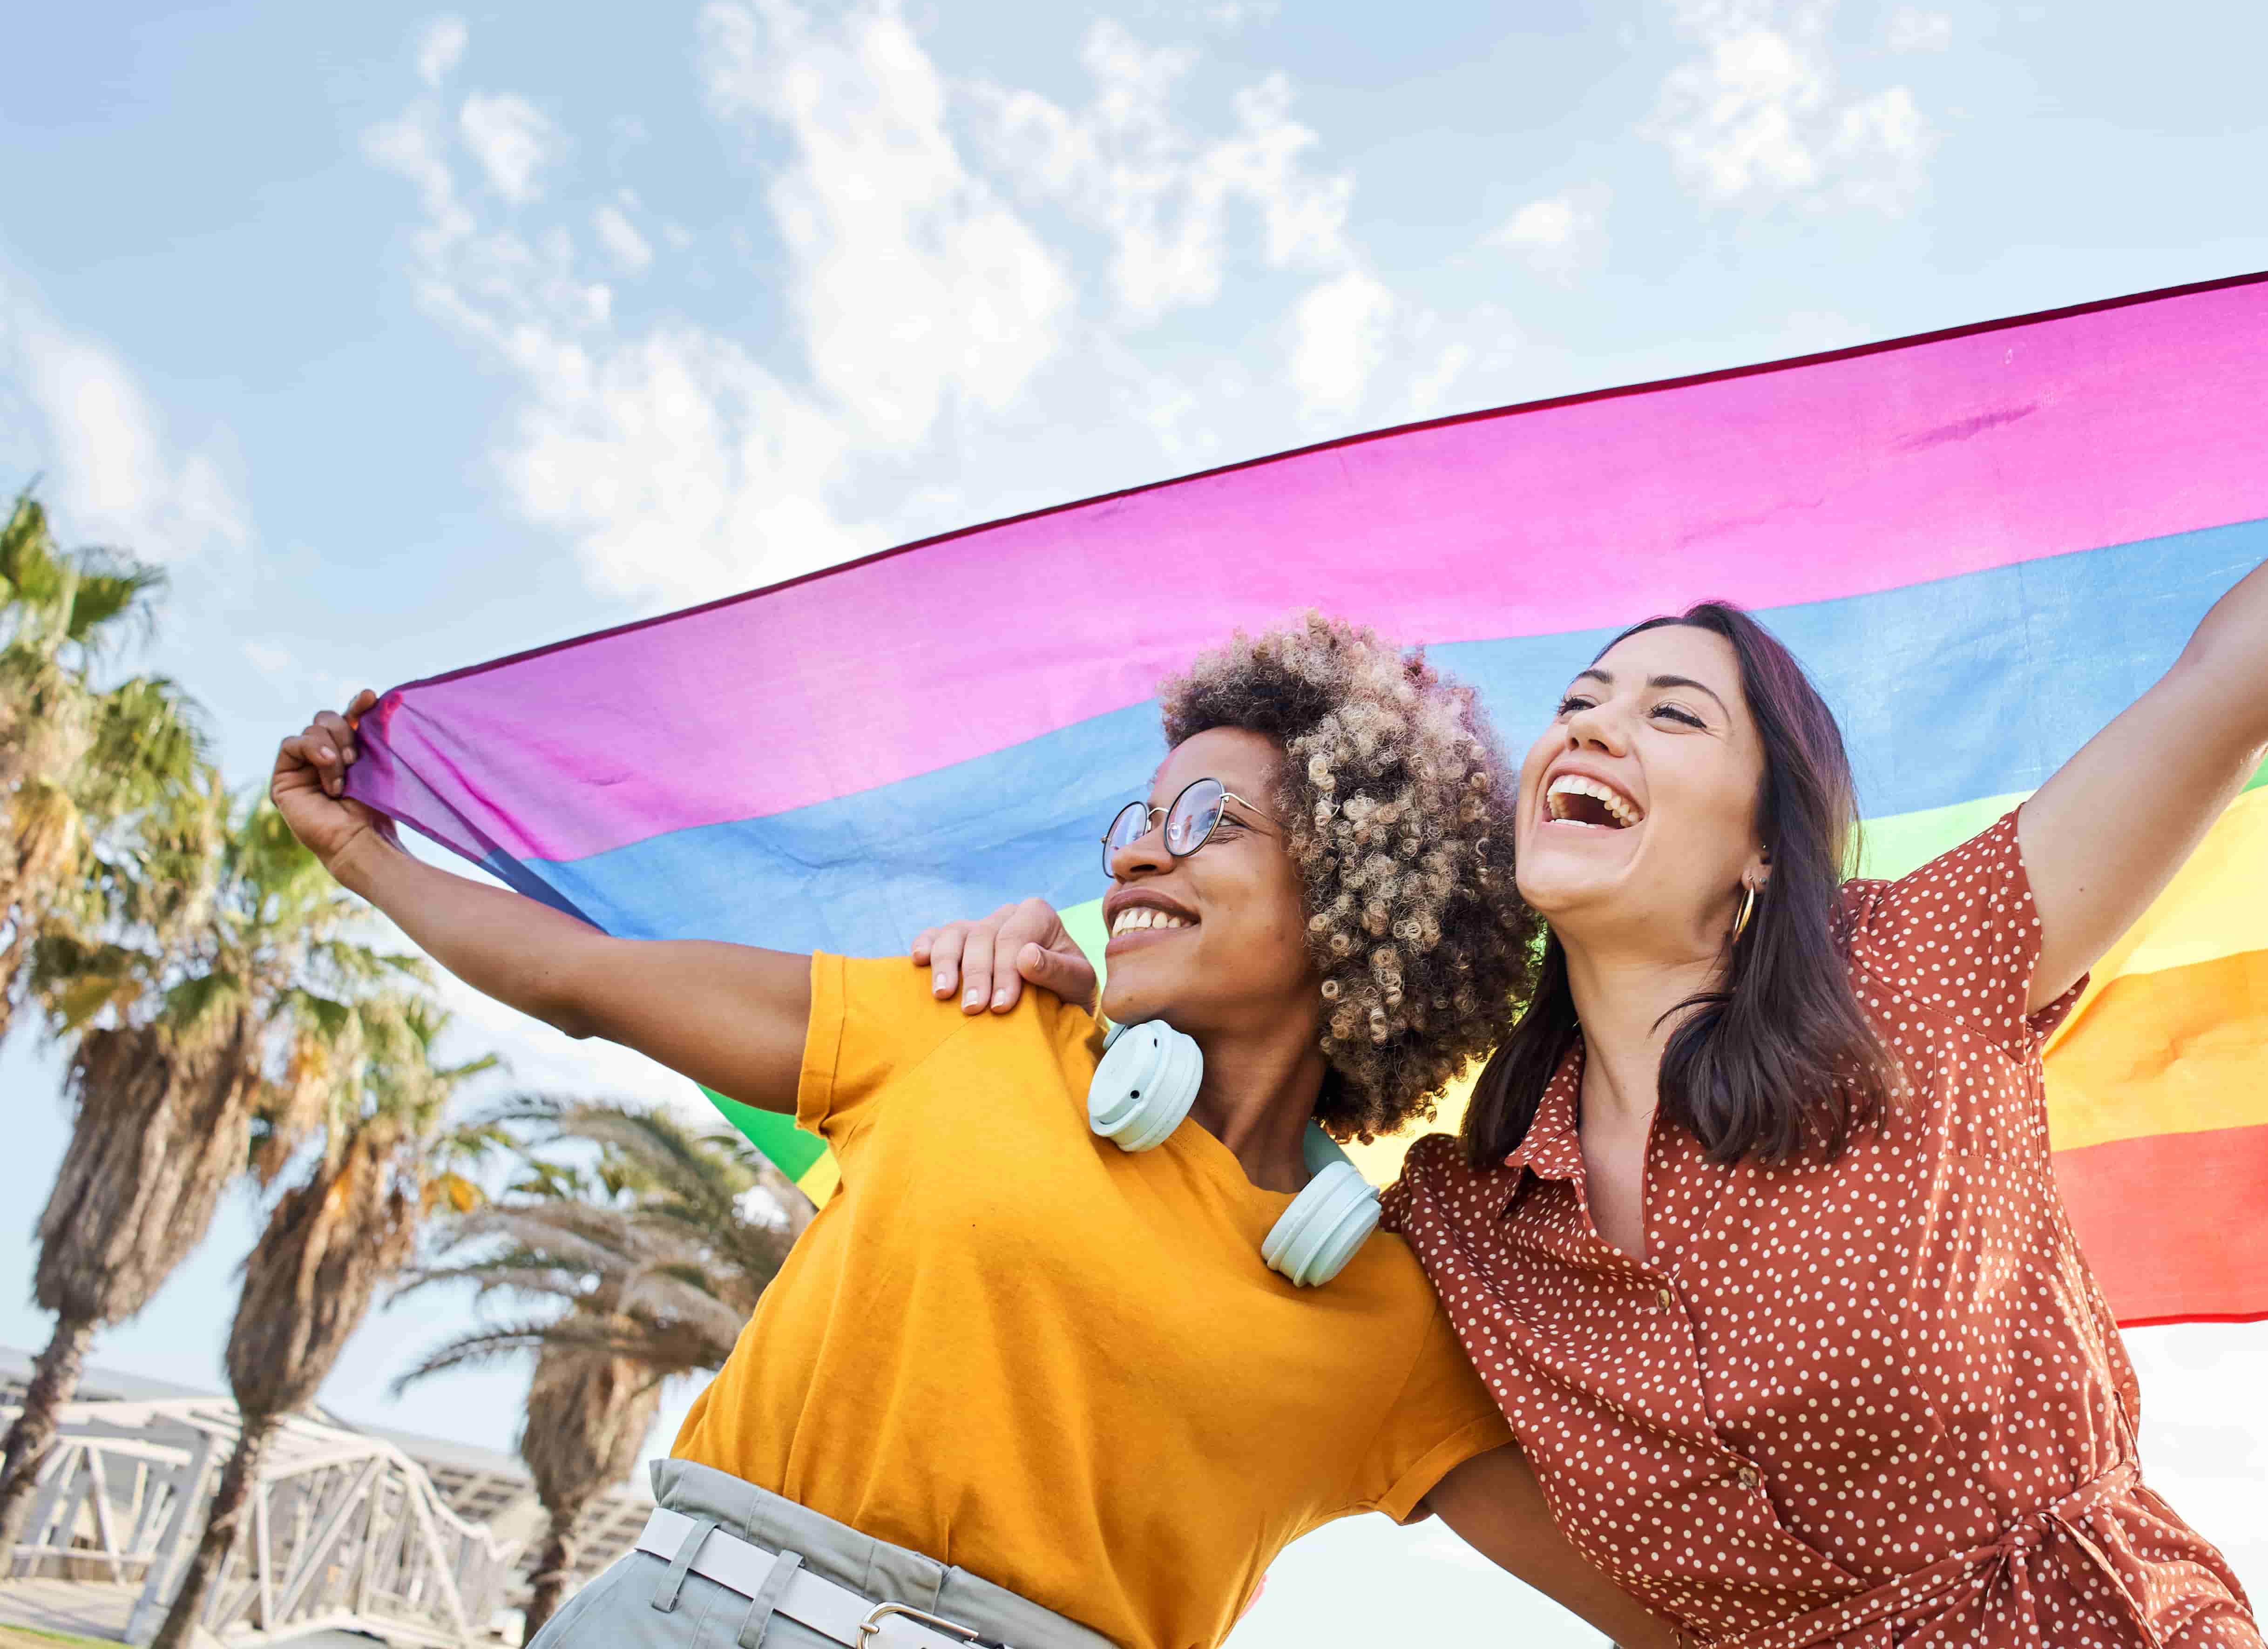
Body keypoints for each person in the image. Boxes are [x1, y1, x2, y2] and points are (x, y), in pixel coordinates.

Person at [933, 201, 2268, 1646]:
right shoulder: (1455, 1232)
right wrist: (1082, 1000)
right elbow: (1180, 1227)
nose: (1592, 726)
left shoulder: (1925, 965)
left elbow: (2233, 691)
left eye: (1672, 715)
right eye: (1586, 700)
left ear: (1761, 853)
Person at [271, 615, 1672, 1649]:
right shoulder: (972, 1025)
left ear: (1362, 891)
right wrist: (359, 854)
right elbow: (576, 983)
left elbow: (1681, 1604)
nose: (1132, 854)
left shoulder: (1387, 1317)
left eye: (1206, 821)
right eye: (1137, 817)